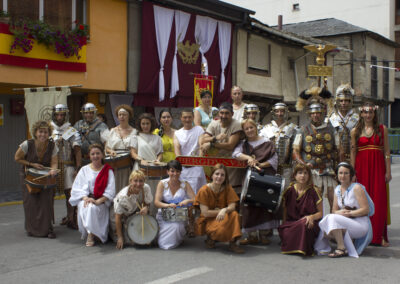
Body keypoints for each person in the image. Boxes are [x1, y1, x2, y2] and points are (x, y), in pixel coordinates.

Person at [351, 101, 392, 247]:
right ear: (361, 113)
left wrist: (388, 170)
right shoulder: (355, 130)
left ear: (374, 114)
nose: (368, 115)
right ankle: (361, 235)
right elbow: (353, 152)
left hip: (378, 168)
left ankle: (378, 236)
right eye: (365, 112)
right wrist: (352, 172)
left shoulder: (382, 129)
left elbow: (387, 151)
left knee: (379, 200)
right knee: (361, 201)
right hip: (361, 168)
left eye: (370, 112)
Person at [232, 119, 278, 245]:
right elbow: (235, 154)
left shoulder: (267, 142)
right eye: (246, 129)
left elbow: (274, 160)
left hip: (265, 176)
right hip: (250, 178)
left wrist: (260, 163)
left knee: (264, 204)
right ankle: (252, 235)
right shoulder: (244, 144)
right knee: (249, 205)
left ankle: (263, 235)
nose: (249, 130)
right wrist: (248, 158)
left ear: (255, 127)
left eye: (251, 127)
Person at [315, 162, 374, 258]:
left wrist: (349, 213)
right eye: (340, 173)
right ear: (337, 175)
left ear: (351, 175)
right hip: (347, 222)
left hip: (360, 224)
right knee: (325, 231)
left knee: (331, 218)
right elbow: (334, 210)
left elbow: (365, 210)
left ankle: (341, 248)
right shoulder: (337, 189)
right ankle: (347, 243)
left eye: (346, 173)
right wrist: (340, 212)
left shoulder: (357, 188)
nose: (343, 175)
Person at [15, 120, 59, 238]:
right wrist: (31, 164)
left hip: (45, 176)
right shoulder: (27, 144)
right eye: (40, 132)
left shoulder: (52, 145)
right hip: (28, 176)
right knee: (31, 202)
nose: (43, 134)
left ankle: (47, 229)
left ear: (49, 133)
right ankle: (32, 229)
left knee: (46, 201)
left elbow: (54, 162)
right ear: (35, 132)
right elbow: (17, 158)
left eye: (45, 132)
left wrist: (53, 170)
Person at [293, 99, 337, 210]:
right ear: (309, 114)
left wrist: (339, 169)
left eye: (318, 113)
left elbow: (339, 150)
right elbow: (295, 151)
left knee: (334, 200)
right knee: (313, 202)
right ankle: (314, 226)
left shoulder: (331, 129)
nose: (315, 115)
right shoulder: (302, 130)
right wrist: (304, 165)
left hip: (328, 169)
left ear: (322, 113)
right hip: (310, 171)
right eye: (313, 113)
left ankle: (334, 225)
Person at [69, 144, 116, 246]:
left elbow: (111, 190)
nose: (95, 156)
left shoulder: (107, 170)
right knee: (88, 207)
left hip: (101, 201)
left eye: (98, 153)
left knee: (92, 208)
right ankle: (90, 234)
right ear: (89, 156)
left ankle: (96, 233)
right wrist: (86, 198)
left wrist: (98, 201)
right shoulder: (84, 170)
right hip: (86, 198)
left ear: (102, 155)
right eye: (93, 154)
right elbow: (77, 188)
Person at [195, 164, 243, 254]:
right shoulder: (204, 190)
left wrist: (224, 210)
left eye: (222, 175)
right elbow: (205, 213)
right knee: (220, 230)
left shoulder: (228, 188)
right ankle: (211, 237)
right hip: (208, 219)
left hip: (223, 216)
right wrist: (219, 212)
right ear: (212, 175)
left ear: (225, 177)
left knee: (235, 214)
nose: (219, 177)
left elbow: (232, 206)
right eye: (217, 174)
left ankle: (233, 243)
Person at [278, 164, 323, 256]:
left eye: (306, 173)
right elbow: (285, 212)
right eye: (300, 173)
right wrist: (283, 225)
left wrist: (311, 216)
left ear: (309, 176)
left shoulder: (314, 191)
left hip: (309, 222)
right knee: (285, 230)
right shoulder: (289, 191)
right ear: (295, 175)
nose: (303, 176)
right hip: (292, 223)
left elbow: (321, 213)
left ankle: (300, 246)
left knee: (304, 224)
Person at [200, 102, 244, 194]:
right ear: (219, 113)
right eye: (222, 113)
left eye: (227, 113)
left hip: (230, 165)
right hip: (215, 164)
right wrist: (215, 138)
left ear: (232, 114)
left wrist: (211, 144)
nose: (224, 116)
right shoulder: (214, 123)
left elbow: (230, 145)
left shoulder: (236, 124)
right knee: (214, 192)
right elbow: (203, 139)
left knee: (230, 193)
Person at [51, 104, 82, 230]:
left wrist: (78, 167)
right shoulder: (48, 129)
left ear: (66, 115)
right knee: (49, 194)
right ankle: (48, 220)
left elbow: (77, 150)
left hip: (67, 164)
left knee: (70, 194)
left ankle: (71, 218)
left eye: (62, 114)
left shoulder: (71, 130)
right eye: (58, 114)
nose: (60, 117)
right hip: (51, 167)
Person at [154, 160, 196, 249]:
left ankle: (178, 239)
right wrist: (168, 205)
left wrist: (187, 201)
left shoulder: (185, 184)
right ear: (167, 172)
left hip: (179, 214)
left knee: (177, 226)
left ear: (180, 172)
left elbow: (195, 199)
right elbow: (156, 202)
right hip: (165, 213)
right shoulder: (162, 183)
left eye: (177, 171)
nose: (175, 174)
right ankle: (171, 239)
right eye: (172, 171)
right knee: (163, 243)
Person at [111, 170, 153, 249]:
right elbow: (118, 218)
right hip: (123, 217)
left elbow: (148, 203)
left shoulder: (146, 188)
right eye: (135, 181)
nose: (138, 184)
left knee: (150, 239)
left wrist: (146, 208)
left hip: (137, 214)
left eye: (141, 181)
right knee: (131, 241)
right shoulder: (122, 197)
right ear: (130, 181)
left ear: (144, 182)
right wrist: (120, 237)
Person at [131, 113, 163, 215]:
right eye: (143, 123)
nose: (145, 126)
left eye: (147, 123)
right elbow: (133, 153)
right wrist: (141, 160)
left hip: (155, 169)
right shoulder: (136, 137)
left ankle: (153, 218)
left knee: (153, 192)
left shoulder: (157, 138)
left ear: (152, 124)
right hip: (140, 167)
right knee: (139, 191)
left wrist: (158, 160)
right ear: (139, 125)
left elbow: (160, 153)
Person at [260, 102, 298, 185]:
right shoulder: (265, 129)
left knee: (287, 191)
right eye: (277, 111)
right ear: (273, 113)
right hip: (269, 167)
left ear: (286, 113)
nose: (279, 114)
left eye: (282, 111)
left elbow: (297, 150)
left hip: (287, 168)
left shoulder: (294, 129)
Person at [105, 104, 137, 194]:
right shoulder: (112, 131)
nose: (122, 117)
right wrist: (111, 151)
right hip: (114, 163)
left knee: (125, 189)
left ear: (129, 116)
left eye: (124, 114)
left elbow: (134, 150)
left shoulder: (134, 131)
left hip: (127, 164)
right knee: (113, 188)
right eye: (120, 115)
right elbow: (107, 147)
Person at [174, 109, 207, 194]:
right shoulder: (177, 133)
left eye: (189, 117)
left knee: (199, 195)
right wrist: (182, 163)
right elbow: (177, 152)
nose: (187, 120)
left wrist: (198, 161)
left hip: (197, 168)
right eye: (185, 117)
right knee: (183, 195)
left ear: (193, 118)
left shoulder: (199, 130)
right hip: (183, 169)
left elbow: (201, 146)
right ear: (181, 118)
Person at [328, 84, 359, 163]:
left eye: (346, 101)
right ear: (337, 102)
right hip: (336, 156)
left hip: (352, 155)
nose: (343, 103)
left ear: (350, 102)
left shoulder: (357, 118)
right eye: (341, 101)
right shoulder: (331, 118)